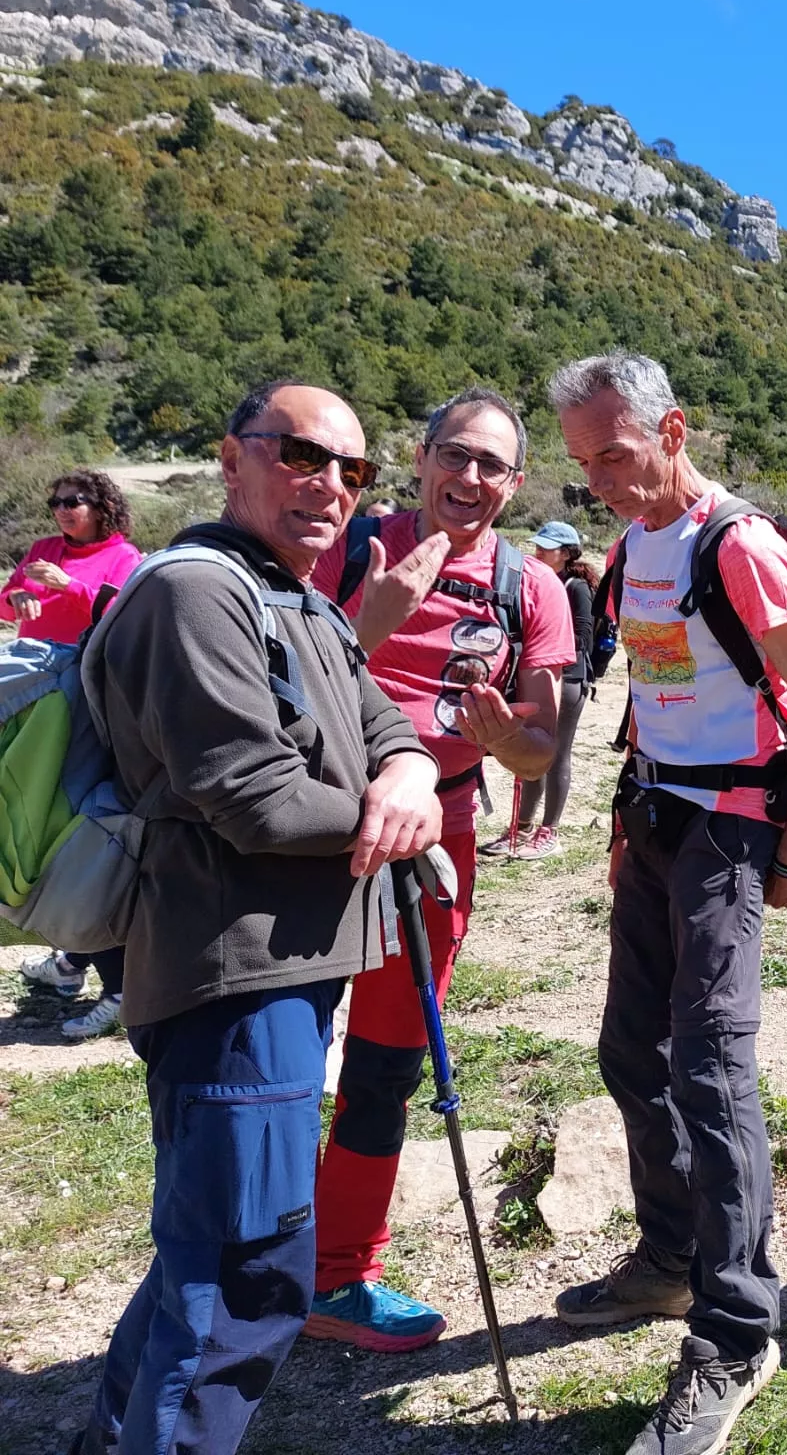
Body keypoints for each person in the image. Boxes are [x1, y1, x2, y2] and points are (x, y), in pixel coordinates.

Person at [76, 381, 442, 1453]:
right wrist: (399, 821)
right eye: (300, 455)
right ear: (232, 459)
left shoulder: (301, 598)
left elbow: (383, 722)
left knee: (206, 1252)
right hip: (231, 977)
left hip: (283, 971)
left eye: (352, 470)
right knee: (245, 1271)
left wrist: (410, 775)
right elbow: (252, 796)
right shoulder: (196, 594)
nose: (329, 483)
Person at [550, 351, 787, 1455]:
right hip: (654, 820)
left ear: (671, 430)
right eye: (584, 464)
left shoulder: (742, 547)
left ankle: (735, 1329)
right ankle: (672, 1262)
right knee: (631, 1052)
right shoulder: (630, 547)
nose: (601, 482)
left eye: (616, 456)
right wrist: (626, 822)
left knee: (709, 1068)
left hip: (730, 830)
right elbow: (658, 686)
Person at [301, 386, 573, 1353]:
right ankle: (253, 1257)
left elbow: (541, 749)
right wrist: (368, 622)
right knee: (277, 1056)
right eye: (454, 456)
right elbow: (270, 682)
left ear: (516, 482)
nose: (469, 478)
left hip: (435, 850)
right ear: (420, 458)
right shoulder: (347, 544)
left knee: (383, 1064)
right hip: (303, 836)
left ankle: (341, 1277)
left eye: (491, 465)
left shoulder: (530, 587)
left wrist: (510, 742)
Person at [9, 468, 146, 1039]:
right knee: (47, 822)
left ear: (104, 506)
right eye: (57, 501)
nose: (64, 510)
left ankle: (113, 985)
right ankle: (70, 963)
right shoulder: (42, 549)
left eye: (76, 501)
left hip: (91, 697)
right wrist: (18, 595)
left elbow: (126, 614)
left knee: (81, 822)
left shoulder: (125, 556)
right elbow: (8, 602)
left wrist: (70, 588)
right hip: (39, 696)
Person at [482, 520, 595, 860]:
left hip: (569, 680)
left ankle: (550, 831)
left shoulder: (576, 587)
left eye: (547, 547)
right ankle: (522, 826)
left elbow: (583, 637)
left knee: (556, 753)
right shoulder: (537, 583)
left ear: (566, 553)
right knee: (530, 751)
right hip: (536, 677)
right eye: (539, 545)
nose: (538, 550)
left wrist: (545, 646)